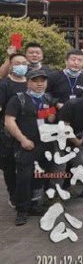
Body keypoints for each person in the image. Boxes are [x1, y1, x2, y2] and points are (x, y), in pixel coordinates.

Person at [4, 69, 57, 225]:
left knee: (41, 176)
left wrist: (52, 111)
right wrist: (22, 139)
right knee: (24, 177)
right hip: (26, 144)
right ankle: (22, 209)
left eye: (43, 81)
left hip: (45, 144)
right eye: (35, 81)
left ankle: (35, 205)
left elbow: (50, 118)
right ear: (28, 82)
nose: (40, 84)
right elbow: (9, 121)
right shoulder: (18, 99)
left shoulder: (47, 98)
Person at [0, 53, 28, 208]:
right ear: (10, 65)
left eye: (24, 62)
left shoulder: (31, 82)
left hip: (29, 130)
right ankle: (13, 194)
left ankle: (27, 194)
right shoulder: (4, 84)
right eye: (17, 63)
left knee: (26, 165)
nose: (21, 65)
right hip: (8, 132)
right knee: (9, 165)